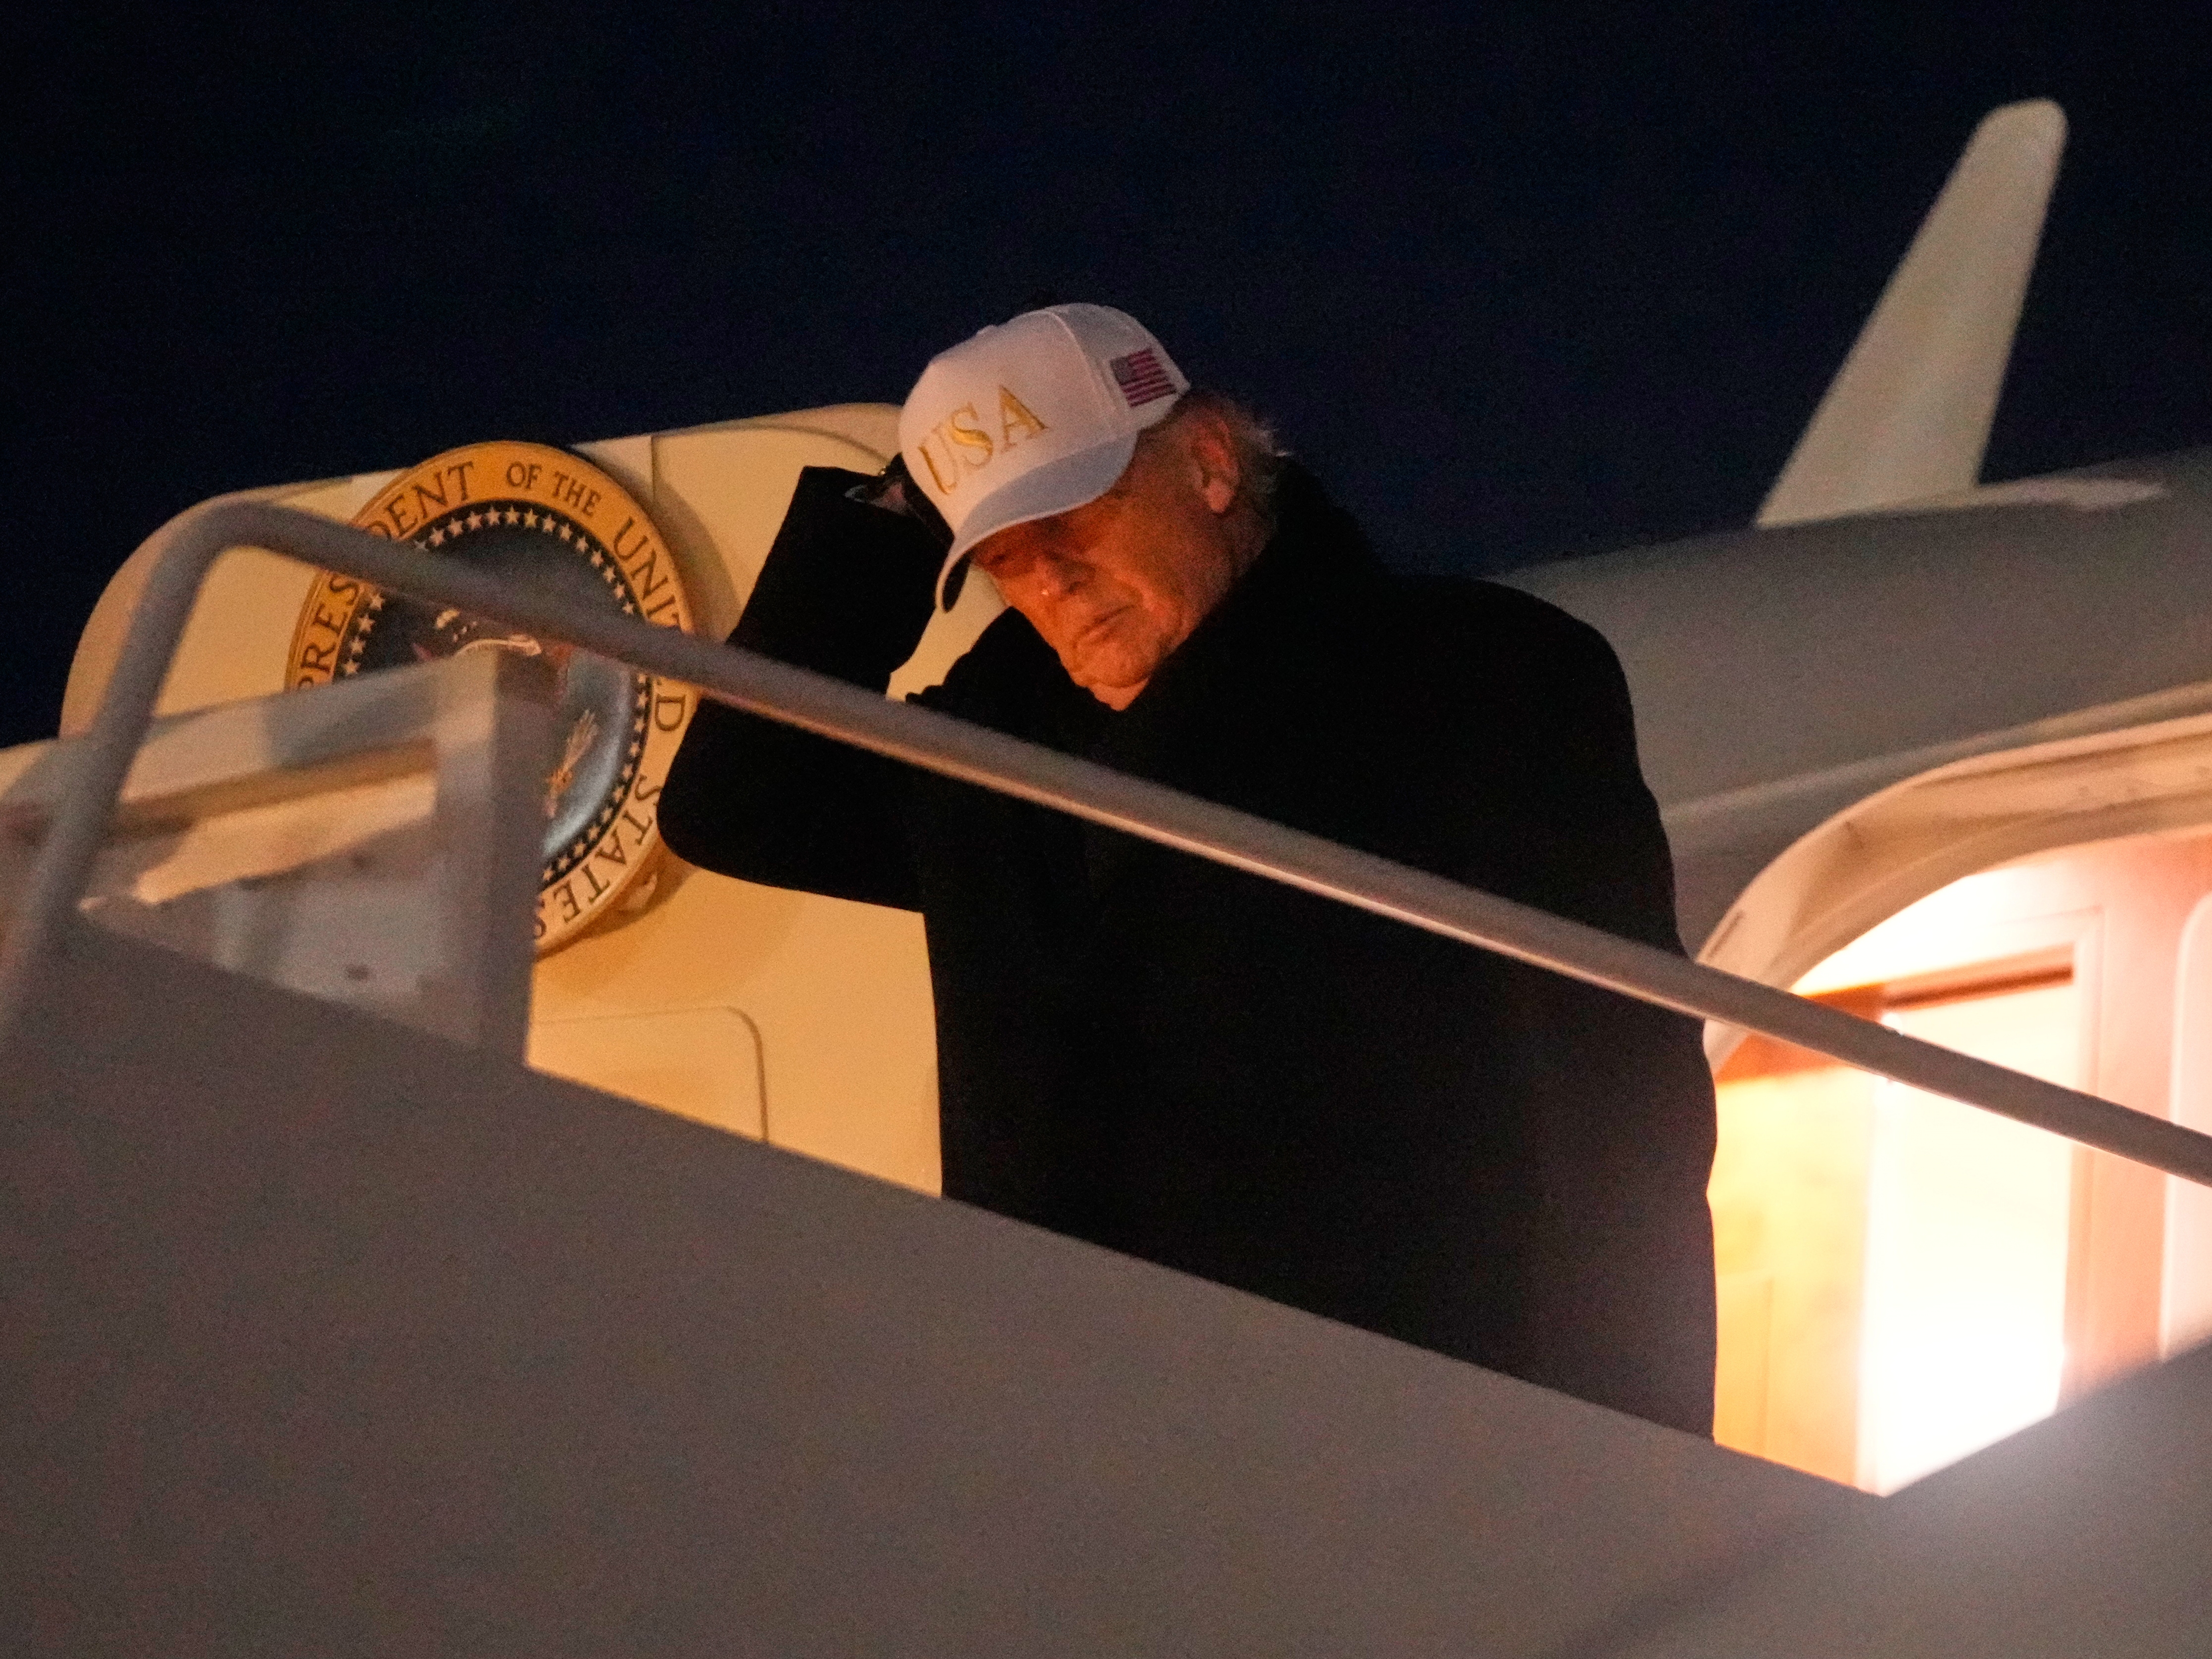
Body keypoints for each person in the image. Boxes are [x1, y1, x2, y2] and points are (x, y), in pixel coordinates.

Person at [660, 304, 1717, 1435]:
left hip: (1404, 1419)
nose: (1049, 576)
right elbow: (739, 803)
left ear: (1209, 461)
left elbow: (1619, 1088)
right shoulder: (989, 749)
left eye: (1071, 510)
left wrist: (1631, 1447)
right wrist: (899, 513)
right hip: (1067, 1425)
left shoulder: (1475, 676)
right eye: (1000, 554)